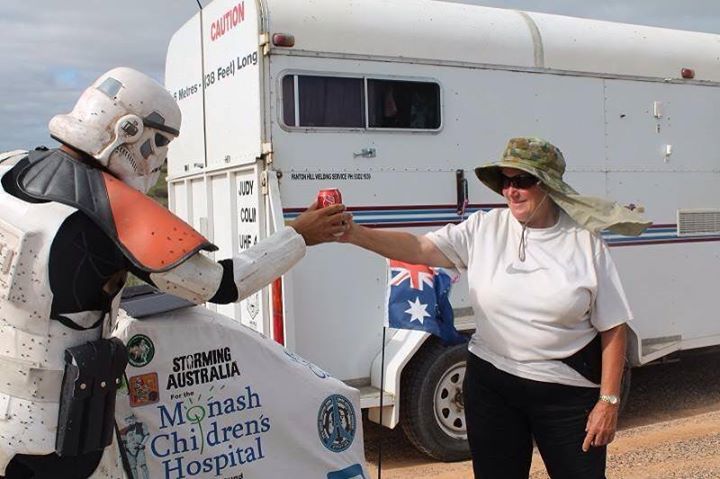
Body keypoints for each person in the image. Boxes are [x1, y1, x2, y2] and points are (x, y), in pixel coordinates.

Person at [0, 67, 349, 478]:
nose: (161, 157)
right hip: (58, 430)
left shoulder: (10, 165)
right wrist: (299, 235)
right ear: (128, 131)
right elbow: (221, 284)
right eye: (159, 141)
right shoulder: (117, 208)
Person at [340, 137, 650, 479]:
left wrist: (608, 401)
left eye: (522, 181)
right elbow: (419, 246)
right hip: (491, 384)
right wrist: (353, 234)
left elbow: (614, 327)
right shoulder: (484, 227)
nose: (510, 191)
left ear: (548, 186)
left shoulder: (584, 242)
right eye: (505, 181)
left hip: (564, 393)